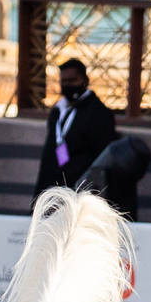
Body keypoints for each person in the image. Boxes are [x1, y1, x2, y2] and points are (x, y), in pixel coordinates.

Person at [32, 59, 117, 205]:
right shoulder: (58, 111)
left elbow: (101, 156)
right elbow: (52, 151)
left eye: (72, 80)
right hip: (55, 187)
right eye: (63, 81)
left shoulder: (98, 113)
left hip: (81, 191)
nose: (67, 86)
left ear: (84, 80)